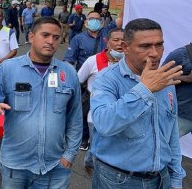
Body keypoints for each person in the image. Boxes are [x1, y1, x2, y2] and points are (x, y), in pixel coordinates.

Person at [0, 16, 82, 189]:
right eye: (45, 35)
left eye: (56, 38)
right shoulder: (8, 68)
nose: (51, 41)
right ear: (32, 37)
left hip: (55, 167)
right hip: (15, 167)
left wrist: (69, 155)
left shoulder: (68, 73)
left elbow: (75, 118)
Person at [90, 18, 186, 189]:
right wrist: (145, 90)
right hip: (118, 180)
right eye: (145, 46)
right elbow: (104, 123)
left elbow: (170, 132)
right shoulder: (106, 79)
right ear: (126, 48)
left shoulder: (165, 80)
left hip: (161, 178)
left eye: (159, 45)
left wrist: (176, 176)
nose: (155, 53)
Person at [77, 28, 124, 175]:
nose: (120, 44)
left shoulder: (130, 63)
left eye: (124, 41)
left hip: (120, 113)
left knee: (109, 144)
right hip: (95, 115)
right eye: (116, 40)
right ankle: (95, 168)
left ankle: (92, 161)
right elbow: (77, 81)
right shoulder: (93, 61)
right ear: (107, 41)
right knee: (99, 143)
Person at [163, 43, 192, 136]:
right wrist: (187, 78)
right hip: (180, 114)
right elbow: (159, 79)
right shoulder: (180, 55)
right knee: (163, 146)